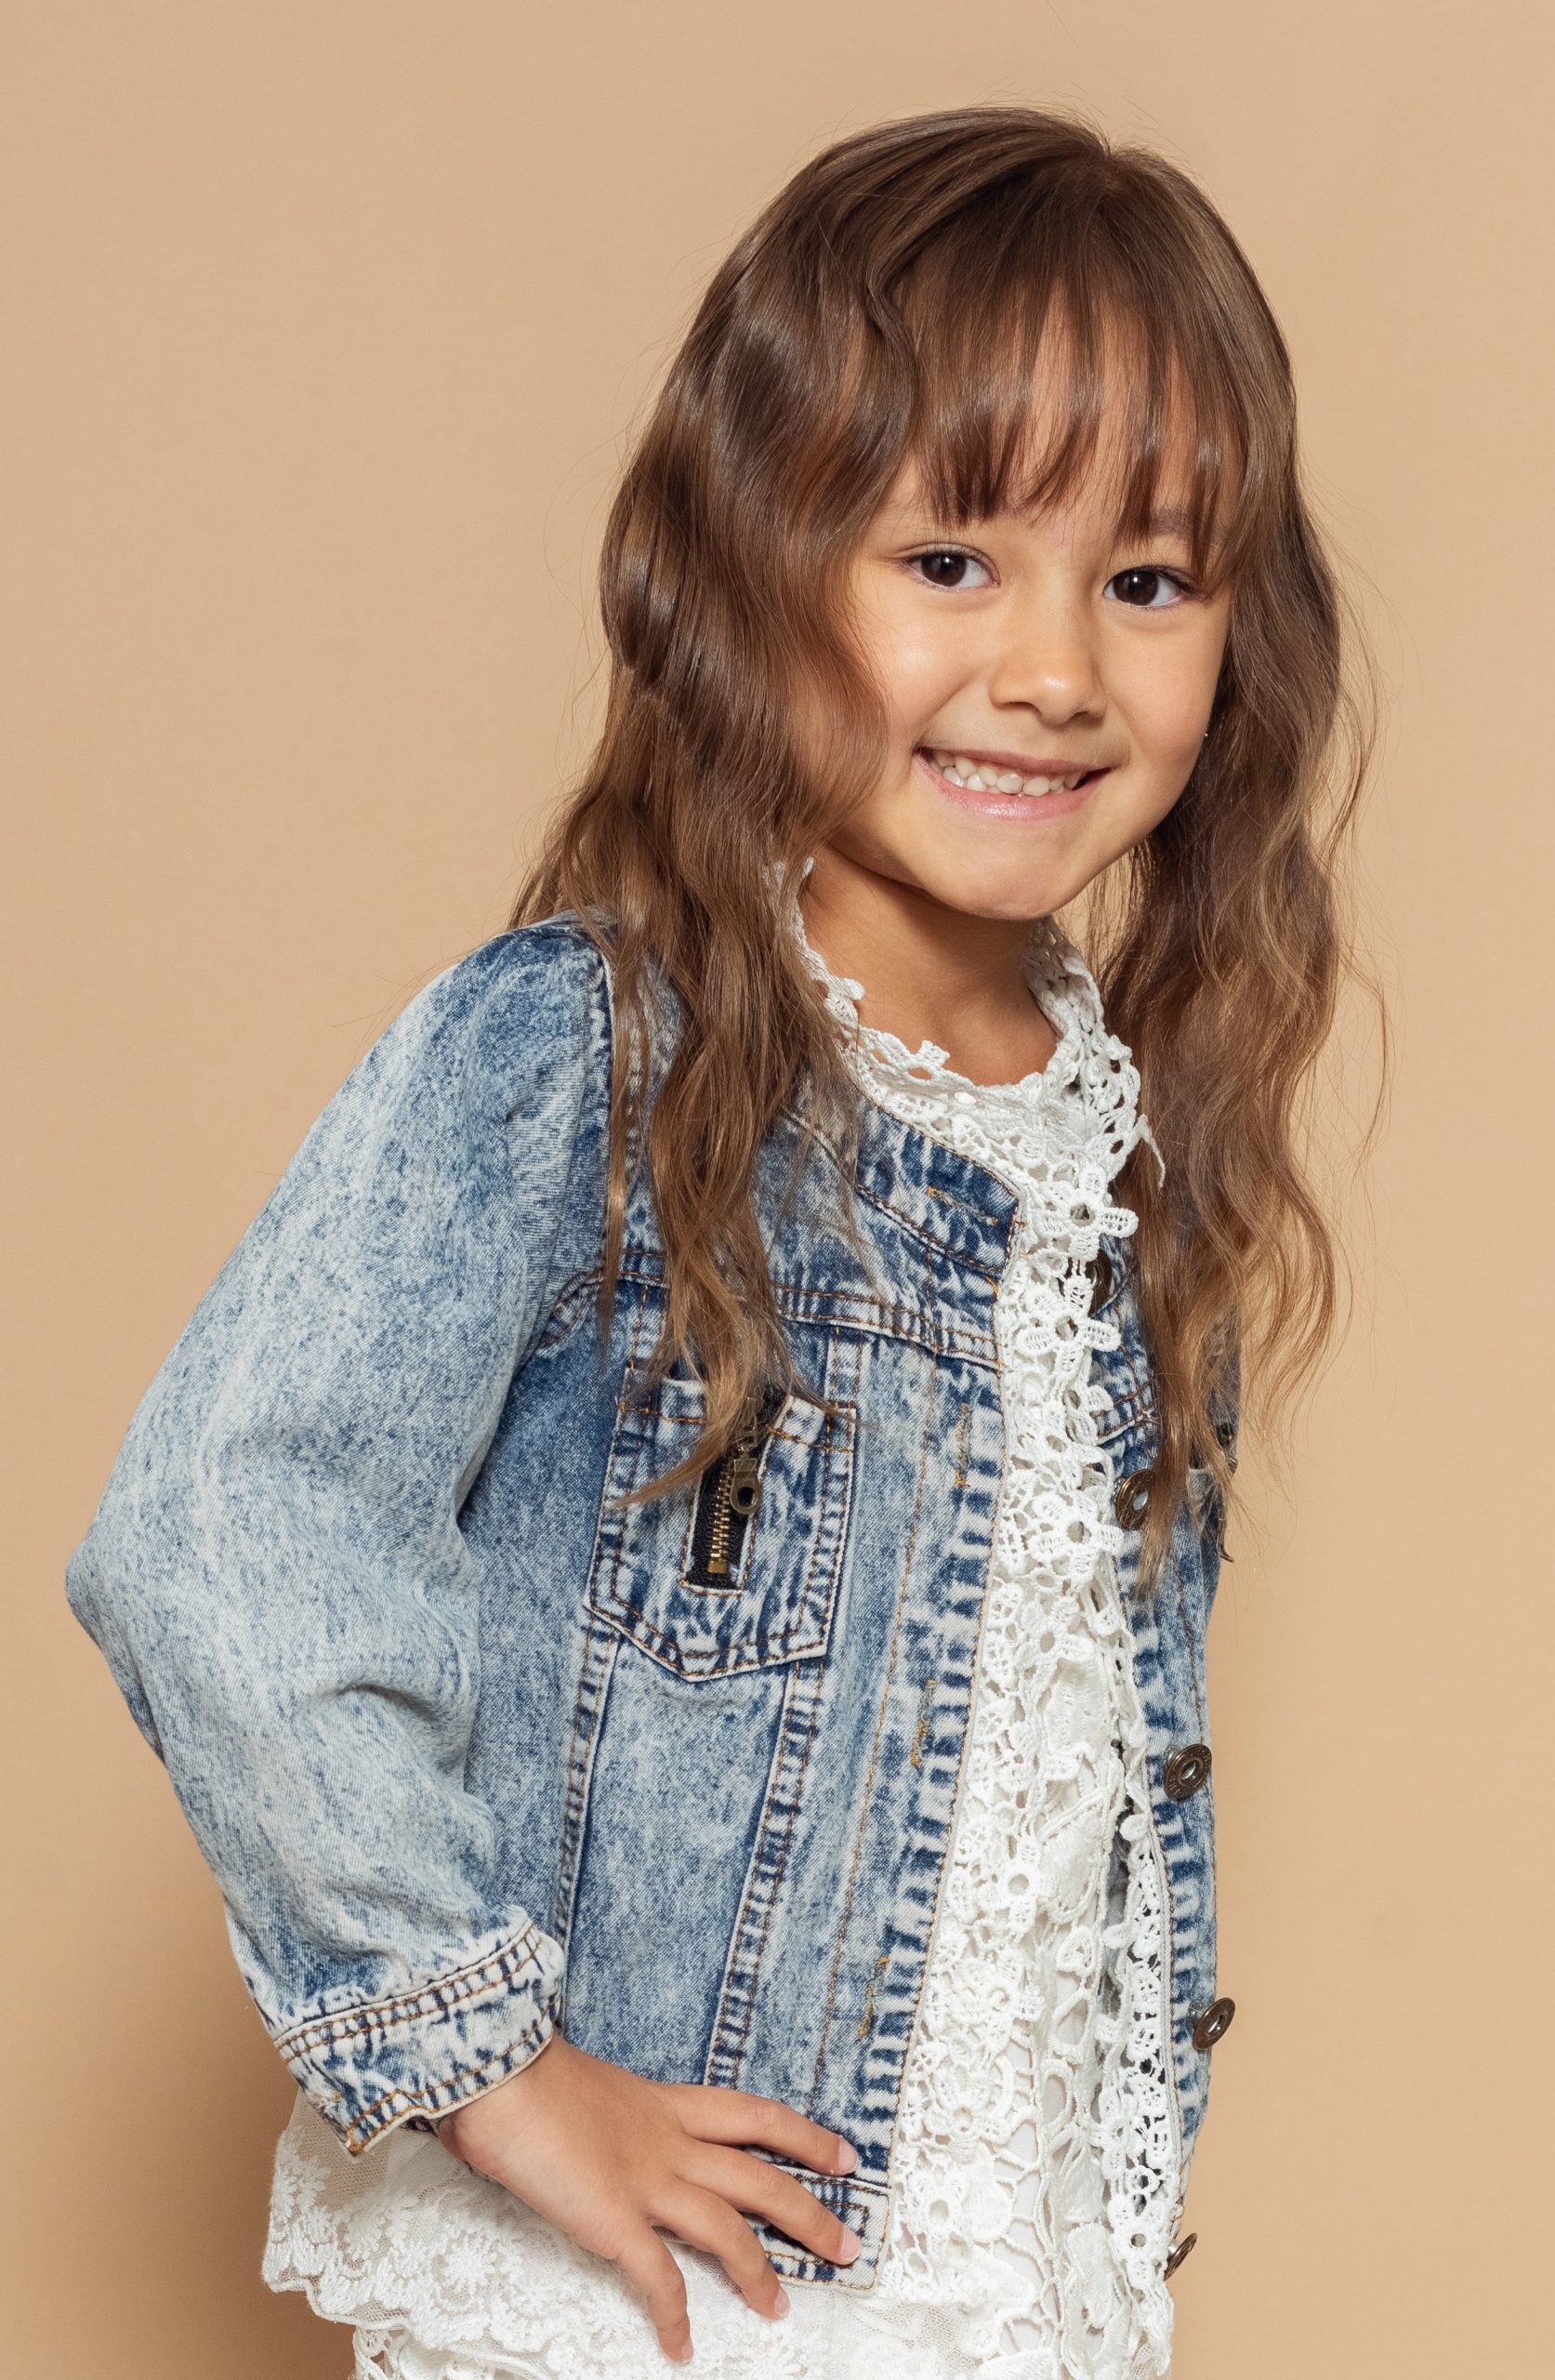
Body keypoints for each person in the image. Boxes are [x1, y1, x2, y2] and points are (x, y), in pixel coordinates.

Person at [65, 102, 1376, 2380]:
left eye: (1148, 580)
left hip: (998, 2295)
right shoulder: (583, 1049)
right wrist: (485, 2058)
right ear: (756, 567)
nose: (1055, 665)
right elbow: (222, 1528)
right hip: (658, 2309)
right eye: (949, 557)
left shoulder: (1119, 1161)